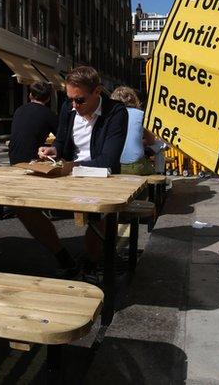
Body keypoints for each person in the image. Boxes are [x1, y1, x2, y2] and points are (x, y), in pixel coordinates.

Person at [38, 66, 128, 271]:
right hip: (69, 175)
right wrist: (53, 151)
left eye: (79, 100)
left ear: (97, 91)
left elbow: (108, 160)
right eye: (70, 99)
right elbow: (61, 142)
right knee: (23, 206)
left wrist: (69, 166)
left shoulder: (116, 112)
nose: (74, 105)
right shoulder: (68, 109)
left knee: (98, 215)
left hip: (101, 178)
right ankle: (62, 255)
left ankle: (92, 264)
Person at [9, 82, 78, 277]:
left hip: (13, 162)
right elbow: (62, 139)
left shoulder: (20, 110)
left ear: (30, 95)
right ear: (48, 99)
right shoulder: (48, 114)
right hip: (33, 162)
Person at [110, 86, 155, 176]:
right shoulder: (142, 115)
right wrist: (140, 142)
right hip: (135, 166)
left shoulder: (109, 116)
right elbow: (151, 141)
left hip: (114, 166)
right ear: (134, 99)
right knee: (152, 168)